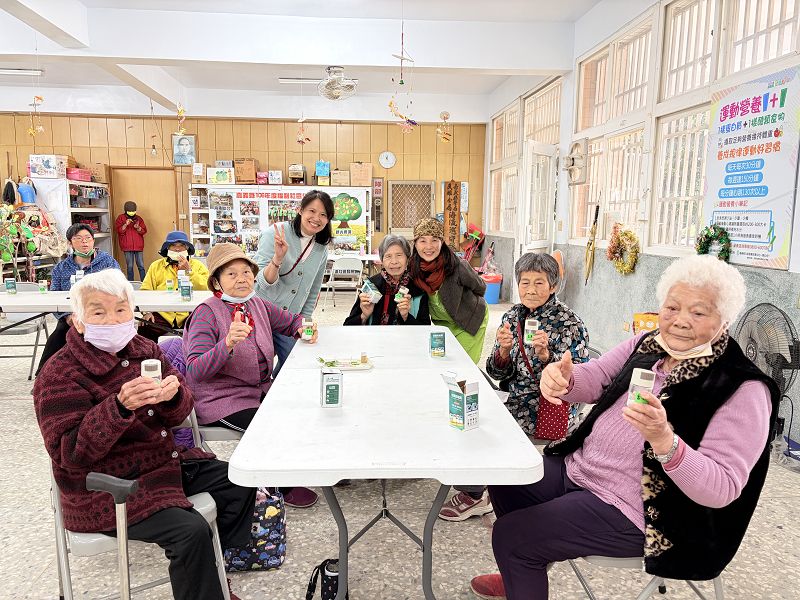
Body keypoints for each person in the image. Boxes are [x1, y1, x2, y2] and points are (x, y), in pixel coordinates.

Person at [469, 255, 779, 600]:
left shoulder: (742, 387)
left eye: (699, 312)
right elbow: (598, 375)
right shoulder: (649, 344)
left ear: (725, 320)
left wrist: (666, 442)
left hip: (644, 511)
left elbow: (722, 487)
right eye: (672, 308)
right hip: (582, 471)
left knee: (513, 536)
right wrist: (565, 378)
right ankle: (523, 568)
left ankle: (522, 555)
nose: (680, 320)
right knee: (507, 474)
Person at [34, 269, 255, 600]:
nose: (113, 320)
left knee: (240, 482)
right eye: (98, 312)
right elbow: (70, 454)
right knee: (190, 531)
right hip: (106, 487)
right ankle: (203, 582)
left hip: (162, 464)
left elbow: (180, 412)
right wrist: (118, 408)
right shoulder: (59, 374)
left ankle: (210, 570)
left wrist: (174, 396)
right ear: (78, 322)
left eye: (120, 310)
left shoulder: (144, 349)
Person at [440, 252, 589, 522]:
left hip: (544, 406)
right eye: (525, 282)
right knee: (464, 389)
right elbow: (496, 372)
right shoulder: (512, 315)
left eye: (539, 283)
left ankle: (475, 495)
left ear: (553, 286)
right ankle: (477, 482)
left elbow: (578, 383)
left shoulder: (570, 323)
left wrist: (546, 358)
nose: (530, 290)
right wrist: (503, 352)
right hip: (512, 396)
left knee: (481, 421)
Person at [184, 243, 320, 509]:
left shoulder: (256, 304)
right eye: (231, 274)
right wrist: (226, 344)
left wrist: (304, 328)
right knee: (270, 426)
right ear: (217, 282)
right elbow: (195, 370)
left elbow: (290, 321)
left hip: (259, 391)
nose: (242, 278)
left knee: (302, 410)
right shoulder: (206, 313)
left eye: (246, 272)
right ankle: (280, 486)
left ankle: (295, 470)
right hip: (222, 399)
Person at [253, 189, 333, 374]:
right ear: (300, 210)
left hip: (289, 320)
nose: (316, 218)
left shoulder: (321, 248)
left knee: (295, 362)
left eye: (323, 215)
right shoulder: (275, 234)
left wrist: (304, 323)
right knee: (258, 365)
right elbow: (260, 283)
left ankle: (277, 387)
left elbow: (313, 290)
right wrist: (277, 259)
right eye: (312, 211)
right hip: (261, 315)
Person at [35, 223, 120, 374]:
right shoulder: (61, 268)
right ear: (70, 243)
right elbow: (54, 295)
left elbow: (119, 288)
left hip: (101, 314)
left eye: (88, 238)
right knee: (59, 335)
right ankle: (43, 375)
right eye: (78, 238)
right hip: (72, 315)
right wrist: (67, 316)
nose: (84, 242)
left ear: (93, 240)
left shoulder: (107, 262)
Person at [410, 217, 488, 363]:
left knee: (463, 365)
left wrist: (466, 301)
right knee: (445, 364)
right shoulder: (414, 270)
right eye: (423, 241)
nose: (429, 246)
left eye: (434, 240)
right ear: (415, 243)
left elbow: (481, 287)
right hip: (443, 326)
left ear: (442, 242)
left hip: (470, 320)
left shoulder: (457, 266)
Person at [343, 234, 430, 326]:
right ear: (382, 260)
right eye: (388, 256)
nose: (394, 261)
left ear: (407, 259)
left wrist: (406, 317)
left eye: (399, 255)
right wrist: (364, 315)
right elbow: (347, 326)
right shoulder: (371, 286)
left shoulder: (418, 288)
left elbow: (426, 329)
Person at [140, 230, 208, 341]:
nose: (177, 249)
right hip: (162, 314)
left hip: (190, 314)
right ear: (167, 248)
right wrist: (147, 312)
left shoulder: (198, 265)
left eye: (181, 245)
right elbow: (145, 291)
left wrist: (189, 271)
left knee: (204, 330)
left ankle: (193, 352)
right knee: (145, 327)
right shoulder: (156, 266)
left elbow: (206, 289)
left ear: (187, 249)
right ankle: (153, 352)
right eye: (173, 245)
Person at [115, 200, 147, 281]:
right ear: (126, 210)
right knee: (129, 266)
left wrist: (138, 228)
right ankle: (130, 283)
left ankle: (144, 282)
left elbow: (144, 231)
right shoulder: (120, 218)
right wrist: (126, 224)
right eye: (130, 211)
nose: (132, 212)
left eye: (133, 211)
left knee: (141, 266)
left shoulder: (139, 218)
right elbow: (119, 231)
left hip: (138, 246)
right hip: (127, 246)